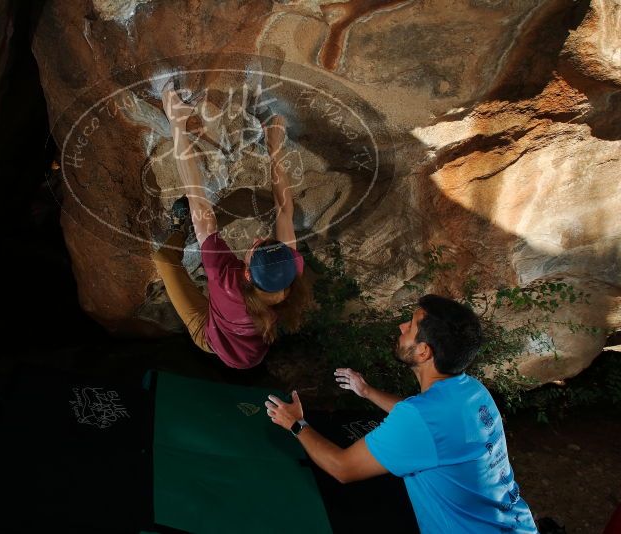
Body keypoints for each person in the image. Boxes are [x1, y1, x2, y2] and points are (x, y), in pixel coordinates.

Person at [265, 294, 539, 533]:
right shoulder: (473, 391)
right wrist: (367, 392)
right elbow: (429, 427)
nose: (401, 326)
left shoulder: (421, 418)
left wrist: (296, 423)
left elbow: (343, 468)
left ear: (423, 351)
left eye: (411, 326)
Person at [151, 76, 311, 369]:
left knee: (163, 258)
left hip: (211, 337)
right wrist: (275, 149)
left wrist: (177, 123)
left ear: (247, 275)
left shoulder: (227, 283)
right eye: (265, 243)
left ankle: (177, 228)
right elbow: (284, 211)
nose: (254, 241)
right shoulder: (286, 269)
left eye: (254, 251)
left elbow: (198, 202)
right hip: (251, 346)